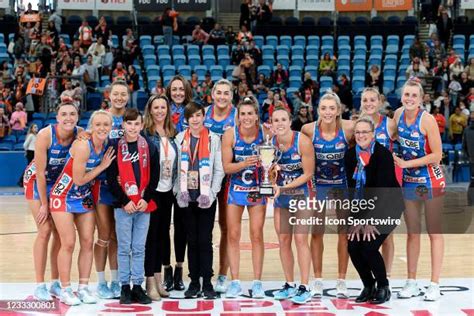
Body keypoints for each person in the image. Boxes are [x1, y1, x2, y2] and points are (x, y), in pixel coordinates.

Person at [49, 110, 114, 305]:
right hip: (64, 194)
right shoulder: (83, 146)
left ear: (111, 128)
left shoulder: (107, 145)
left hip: (83, 196)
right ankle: (65, 288)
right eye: (98, 124)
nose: (102, 128)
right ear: (91, 126)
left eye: (106, 125)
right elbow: (78, 179)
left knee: (87, 241)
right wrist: (102, 167)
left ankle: (83, 288)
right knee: (68, 243)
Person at [391, 79, 445, 301]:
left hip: (430, 179)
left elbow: (437, 155)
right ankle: (411, 281)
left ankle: (434, 284)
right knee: (413, 232)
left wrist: (405, 164)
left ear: (421, 99)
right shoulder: (397, 115)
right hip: (410, 181)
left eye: (414, 95)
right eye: (406, 95)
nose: (409, 99)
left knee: (434, 232)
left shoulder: (428, 120)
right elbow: (393, 138)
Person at [23, 103, 81, 301]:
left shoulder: (80, 133)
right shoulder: (45, 136)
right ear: (57, 118)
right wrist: (45, 205)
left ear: (78, 117)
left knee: (60, 233)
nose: (68, 118)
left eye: (72, 114)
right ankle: (39, 284)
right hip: (36, 181)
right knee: (45, 230)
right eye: (64, 114)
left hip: (58, 183)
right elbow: (39, 173)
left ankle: (55, 282)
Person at [301, 92, 354, 298]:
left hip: (342, 185)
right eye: (324, 108)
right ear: (318, 110)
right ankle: (318, 279)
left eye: (332, 108)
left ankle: (341, 280)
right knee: (316, 232)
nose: (328, 112)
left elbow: (369, 133)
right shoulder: (308, 130)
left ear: (339, 110)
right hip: (319, 185)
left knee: (344, 233)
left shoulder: (349, 128)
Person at [345, 116, 403, 304]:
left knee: (369, 247)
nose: (361, 135)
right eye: (358, 132)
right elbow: (353, 190)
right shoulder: (349, 155)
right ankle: (368, 285)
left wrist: (370, 220)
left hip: (388, 207)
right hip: (362, 208)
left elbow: (383, 191)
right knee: (353, 246)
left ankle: (383, 286)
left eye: (365, 132)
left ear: (373, 134)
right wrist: (356, 220)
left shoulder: (383, 154)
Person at [107, 108, 159, 305]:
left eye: (136, 123)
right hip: (124, 207)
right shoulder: (114, 146)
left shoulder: (149, 147)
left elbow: (155, 176)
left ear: (142, 125)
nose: (133, 127)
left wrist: (146, 198)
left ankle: (138, 286)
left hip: (144, 205)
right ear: (123, 125)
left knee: (139, 247)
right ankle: (124, 288)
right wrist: (124, 201)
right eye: (129, 123)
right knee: (124, 248)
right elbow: (111, 179)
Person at [174, 102, 225, 299]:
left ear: (204, 117)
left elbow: (219, 170)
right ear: (186, 119)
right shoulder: (180, 138)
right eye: (191, 116)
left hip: (206, 199)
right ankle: (194, 282)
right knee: (192, 240)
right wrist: (179, 192)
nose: (195, 119)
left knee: (205, 240)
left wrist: (211, 194)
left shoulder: (213, 139)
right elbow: (176, 169)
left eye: (198, 115)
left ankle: (208, 282)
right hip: (187, 199)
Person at [221, 96, 268, 298]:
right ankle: (235, 281)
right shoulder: (230, 134)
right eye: (243, 114)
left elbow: (274, 160)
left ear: (257, 116)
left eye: (250, 113)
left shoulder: (265, 133)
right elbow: (226, 167)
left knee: (256, 235)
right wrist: (244, 164)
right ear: (237, 117)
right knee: (233, 235)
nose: (246, 117)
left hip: (258, 188)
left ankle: (257, 282)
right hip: (236, 188)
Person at [271, 106, 315, 304]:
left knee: (300, 239)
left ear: (290, 122)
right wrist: (271, 181)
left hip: (301, 194)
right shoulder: (270, 144)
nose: (279, 123)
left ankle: (304, 286)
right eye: (275, 120)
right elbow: (271, 172)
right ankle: (289, 284)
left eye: (283, 120)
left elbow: (308, 173)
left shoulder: (302, 142)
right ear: (271, 124)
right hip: (282, 196)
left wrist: (284, 186)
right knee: (283, 240)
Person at [94, 80, 129, 300]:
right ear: (109, 95)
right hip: (103, 185)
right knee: (104, 235)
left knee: (117, 236)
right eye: (115, 94)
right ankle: (100, 282)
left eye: (122, 94)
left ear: (128, 95)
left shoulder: (132, 119)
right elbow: (88, 133)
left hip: (125, 186)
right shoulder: (102, 117)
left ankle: (116, 280)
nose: (119, 98)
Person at [359, 87, 399, 281]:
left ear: (380, 102)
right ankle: (372, 275)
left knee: (386, 234)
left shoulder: (390, 125)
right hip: (364, 186)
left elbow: (410, 139)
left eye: (372, 100)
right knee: (366, 236)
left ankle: (387, 275)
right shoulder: (356, 123)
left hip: (384, 186)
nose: (369, 103)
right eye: (365, 100)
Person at [142, 95, 178, 300]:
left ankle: (158, 278)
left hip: (168, 192)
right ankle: (149, 281)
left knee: (163, 235)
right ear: (150, 110)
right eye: (155, 107)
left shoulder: (173, 133)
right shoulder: (145, 134)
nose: (159, 111)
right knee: (151, 237)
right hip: (152, 191)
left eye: (163, 107)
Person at [203, 79, 237, 293]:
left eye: (227, 93)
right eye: (219, 92)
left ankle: (223, 274)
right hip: (205, 175)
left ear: (231, 96)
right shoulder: (203, 113)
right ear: (212, 94)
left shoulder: (238, 116)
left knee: (226, 227)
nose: (222, 96)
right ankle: (203, 273)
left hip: (228, 176)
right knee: (204, 227)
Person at [163, 75, 193, 291]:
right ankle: (166, 270)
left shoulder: (192, 111)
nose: (178, 93)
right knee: (163, 226)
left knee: (182, 226)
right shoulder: (161, 111)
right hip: (163, 178)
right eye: (174, 89)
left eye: (181, 89)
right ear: (168, 91)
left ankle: (180, 270)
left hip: (185, 176)